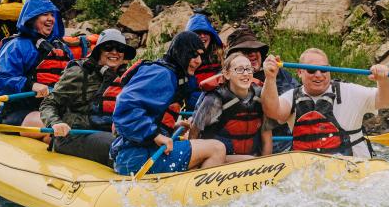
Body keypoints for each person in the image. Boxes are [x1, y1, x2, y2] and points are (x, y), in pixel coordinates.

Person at [109, 31, 228, 175]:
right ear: (181, 52)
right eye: (193, 55)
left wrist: (170, 127)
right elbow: (125, 108)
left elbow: (148, 114)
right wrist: (155, 135)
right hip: (137, 158)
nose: (199, 61)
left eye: (201, 56)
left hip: (136, 154)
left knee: (221, 156)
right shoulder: (162, 74)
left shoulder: (170, 73)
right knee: (217, 148)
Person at [261, 48, 389, 158]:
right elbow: (273, 111)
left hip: (354, 166)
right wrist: (270, 78)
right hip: (309, 170)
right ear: (300, 72)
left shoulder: (350, 91)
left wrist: (383, 80)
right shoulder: (292, 97)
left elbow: (385, 101)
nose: (318, 74)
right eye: (311, 70)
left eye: (324, 69)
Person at [39, 28, 136, 165]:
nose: (114, 52)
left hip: (106, 133)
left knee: (137, 144)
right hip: (72, 136)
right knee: (121, 147)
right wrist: (55, 123)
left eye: (120, 49)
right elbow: (49, 103)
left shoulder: (126, 78)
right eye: (108, 47)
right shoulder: (79, 72)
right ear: (99, 51)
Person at [0, 0, 74, 136]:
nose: (50, 19)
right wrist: (31, 85)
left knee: (67, 127)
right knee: (57, 130)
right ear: (32, 18)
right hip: (19, 112)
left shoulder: (62, 48)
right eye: (44, 14)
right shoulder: (16, 45)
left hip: (52, 110)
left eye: (52, 15)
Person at [198, 27, 296, 151]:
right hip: (237, 148)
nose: (252, 54)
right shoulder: (221, 80)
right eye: (245, 51)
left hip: (283, 142)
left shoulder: (280, 74)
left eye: (255, 49)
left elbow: (297, 98)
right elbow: (200, 112)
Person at [190, 52, 273, 161]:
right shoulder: (214, 100)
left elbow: (267, 136)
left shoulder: (260, 95)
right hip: (218, 159)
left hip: (253, 161)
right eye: (239, 69)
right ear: (226, 74)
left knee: (251, 159)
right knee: (249, 159)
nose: (246, 73)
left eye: (249, 69)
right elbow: (194, 133)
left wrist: (265, 163)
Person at [186, 12, 223, 102]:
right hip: (193, 105)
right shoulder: (183, 59)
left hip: (218, 101)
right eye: (198, 33)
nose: (202, 36)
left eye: (206, 32)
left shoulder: (221, 56)